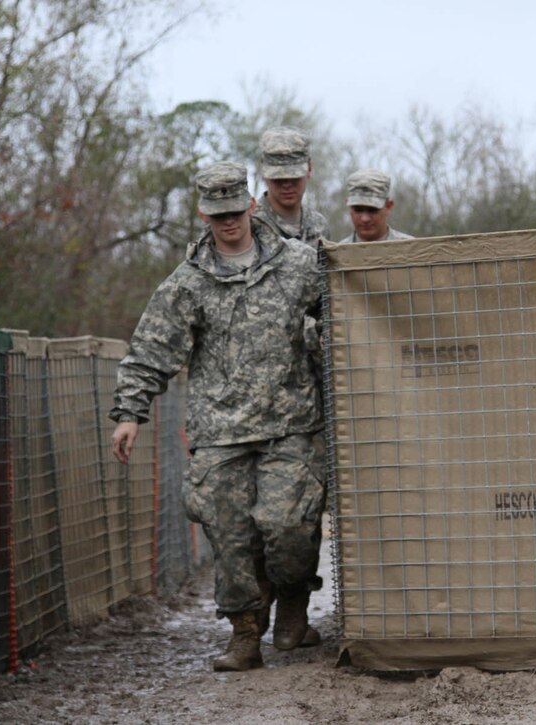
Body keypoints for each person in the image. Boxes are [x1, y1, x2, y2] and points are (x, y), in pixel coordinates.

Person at [109, 160, 326, 672]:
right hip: (220, 433)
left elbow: (342, 318)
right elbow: (151, 350)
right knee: (230, 539)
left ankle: (292, 603)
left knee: (289, 527)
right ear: (203, 214)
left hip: (291, 424)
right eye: (217, 214)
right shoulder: (187, 284)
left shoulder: (299, 264)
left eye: (235, 210)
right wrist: (129, 413)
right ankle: (246, 633)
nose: (228, 222)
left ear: (251, 205)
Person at [252, 126, 328, 247]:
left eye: (294, 176)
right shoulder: (249, 225)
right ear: (264, 172)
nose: (287, 185)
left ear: (309, 168)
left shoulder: (319, 226)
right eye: (279, 178)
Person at [338, 169, 414, 242]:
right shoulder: (337, 253)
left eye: (372, 210)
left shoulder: (412, 249)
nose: (365, 219)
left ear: (388, 206)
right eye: (358, 210)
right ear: (348, 206)